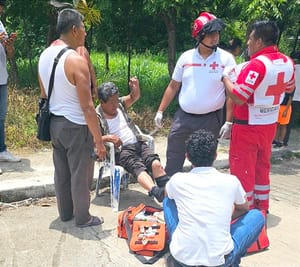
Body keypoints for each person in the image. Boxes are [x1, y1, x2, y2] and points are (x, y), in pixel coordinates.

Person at [38, 8, 106, 228]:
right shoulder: (76, 61)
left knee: (62, 172)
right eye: (84, 28)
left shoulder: (45, 55)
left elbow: (43, 94)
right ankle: (83, 217)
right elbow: (87, 107)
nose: (86, 32)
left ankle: (66, 213)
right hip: (76, 126)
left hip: (55, 125)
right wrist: (98, 140)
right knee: (80, 173)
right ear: (75, 29)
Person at [220, 20, 295, 211]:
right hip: (269, 124)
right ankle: (262, 207)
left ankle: (245, 211)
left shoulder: (257, 65)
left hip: (248, 125)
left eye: (250, 38)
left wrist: (225, 78)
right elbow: (290, 87)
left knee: (242, 170)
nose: (247, 43)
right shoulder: (287, 62)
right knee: (262, 168)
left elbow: (238, 96)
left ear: (259, 41)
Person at [164, 129, 265, 267]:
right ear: (215, 155)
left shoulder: (177, 180)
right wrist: (223, 217)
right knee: (257, 216)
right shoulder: (231, 181)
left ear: (187, 156)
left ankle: (178, 245)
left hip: (182, 258)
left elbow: (167, 196)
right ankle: (233, 262)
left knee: (167, 201)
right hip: (219, 261)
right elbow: (244, 208)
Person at [154, 11, 236, 176]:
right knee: (174, 154)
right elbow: (173, 86)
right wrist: (160, 111)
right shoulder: (186, 58)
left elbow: (231, 94)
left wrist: (228, 122)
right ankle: (170, 192)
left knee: (203, 164)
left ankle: (198, 196)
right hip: (183, 117)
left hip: (210, 120)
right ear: (199, 36)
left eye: (217, 33)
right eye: (211, 34)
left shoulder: (226, 59)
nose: (215, 37)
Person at [96, 79, 169, 203]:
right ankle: (156, 192)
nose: (115, 105)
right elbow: (90, 140)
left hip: (138, 143)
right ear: (102, 102)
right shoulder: (95, 116)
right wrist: (108, 138)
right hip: (121, 151)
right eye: (111, 103)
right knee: (138, 168)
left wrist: (135, 86)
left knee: (155, 163)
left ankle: (169, 191)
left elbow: (134, 96)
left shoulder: (119, 104)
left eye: (116, 100)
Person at [0, 0, 20, 163]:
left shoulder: (0, 25)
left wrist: (9, 45)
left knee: (1, 116)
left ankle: (1, 150)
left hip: (1, 78)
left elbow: (10, 54)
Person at [284, 51, 300, 146]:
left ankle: (278, 139)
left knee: (282, 120)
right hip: (298, 97)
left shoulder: (292, 68)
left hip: (288, 95)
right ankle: (285, 140)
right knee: (290, 121)